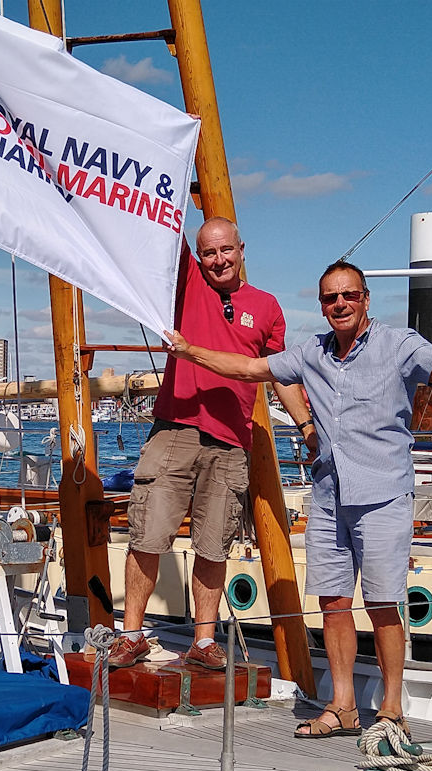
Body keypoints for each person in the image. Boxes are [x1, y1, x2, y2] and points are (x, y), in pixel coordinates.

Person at [162, 260, 432, 736]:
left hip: (384, 493)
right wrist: (187, 351)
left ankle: (391, 711)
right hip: (329, 494)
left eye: (349, 295)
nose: (340, 304)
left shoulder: (398, 345)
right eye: (331, 298)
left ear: (365, 299)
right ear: (323, 306)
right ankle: (343, 706)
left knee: (384, 603)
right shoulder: (312, 353)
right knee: (333, 603)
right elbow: (249, 367)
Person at [107, 216, 313, 671]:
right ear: (198, 257)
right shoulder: (186, 283)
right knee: (148, 533)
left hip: (230, 441)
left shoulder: (268, 307)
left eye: (226, 250)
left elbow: (280, 375)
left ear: (242, 249)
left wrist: (305, 426)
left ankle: (203, 640)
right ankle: (131, 633)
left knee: (213, 543)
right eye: (208, 253)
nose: (218, 260)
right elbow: (161, 220)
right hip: (175, 428)